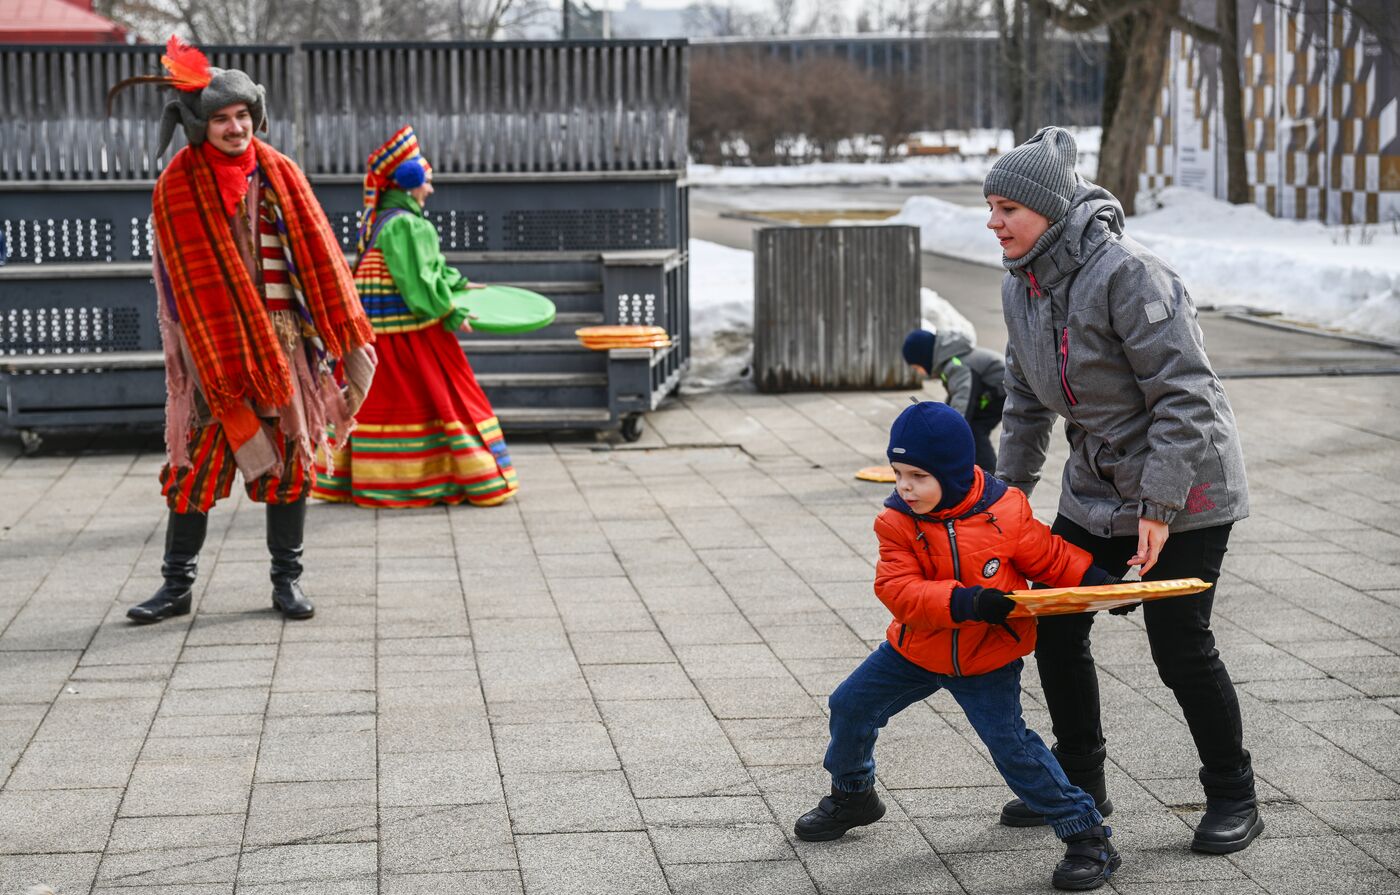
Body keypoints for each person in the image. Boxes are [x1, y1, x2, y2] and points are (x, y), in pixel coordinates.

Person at [984, 127, 1259, 854]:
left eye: (1008, 206)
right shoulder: (1024, 285)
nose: (994, 220)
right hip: (1096, 483)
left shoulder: (1130, 275)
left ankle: (1234, 792)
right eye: (991, 206)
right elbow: (1022, 400)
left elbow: (1188, 396)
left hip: (1189, 484)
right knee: (1057, 622)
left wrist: (1160, 508)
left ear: (1048, 209)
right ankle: (1078, 785)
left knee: (1180, 645)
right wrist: (1005, 503)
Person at [795, 401, 1124, 892]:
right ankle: (853, 794)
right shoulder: (897, 522)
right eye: (898, 472)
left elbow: (1049, 556)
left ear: (951, 474)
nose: (904, 486)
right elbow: (898, 590)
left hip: (986, 657)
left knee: (1012, 747)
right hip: (915, 649)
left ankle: (1087, 834)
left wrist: (1100, 585)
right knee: (849, 705)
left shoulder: (1005, 510)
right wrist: (965, 601)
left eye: (918, 476)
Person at [114, 37, 376, 624]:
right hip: (215, 351)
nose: (235, 129)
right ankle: (175, 586)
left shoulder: (283, 175)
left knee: (290, 467)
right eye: (221, 119)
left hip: (283, 348)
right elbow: (174, 282)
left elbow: (321, 263)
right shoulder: (176, 189)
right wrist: (195, 351)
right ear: (198, 125)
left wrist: (329, 338)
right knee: (194, 470)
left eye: (242, 117)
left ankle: (287, 582)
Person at [311, 126, 518, 508]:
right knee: (445, 397)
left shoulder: (378, 220)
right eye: (428, 181)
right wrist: (450, 311)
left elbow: (423, 269)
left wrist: (457, 283)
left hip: (375, 339)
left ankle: (373, 478)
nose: (431, 190)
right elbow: (420, 282)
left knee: (373, 401)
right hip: (412, 335)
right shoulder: (408, 224)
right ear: (409, 182)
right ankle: (450, 475)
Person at [902, 327, 1005, 472]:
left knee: (974, 430)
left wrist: (951, 431)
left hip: (1001, 391)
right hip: (988, 391)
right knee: (963, 426)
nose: (919, 372)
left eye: (917, 367)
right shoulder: (951, 358)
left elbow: (962, 400)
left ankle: (989, 476)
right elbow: (954, 397)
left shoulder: (956, 365)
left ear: (924, 357)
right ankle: (972, 469)